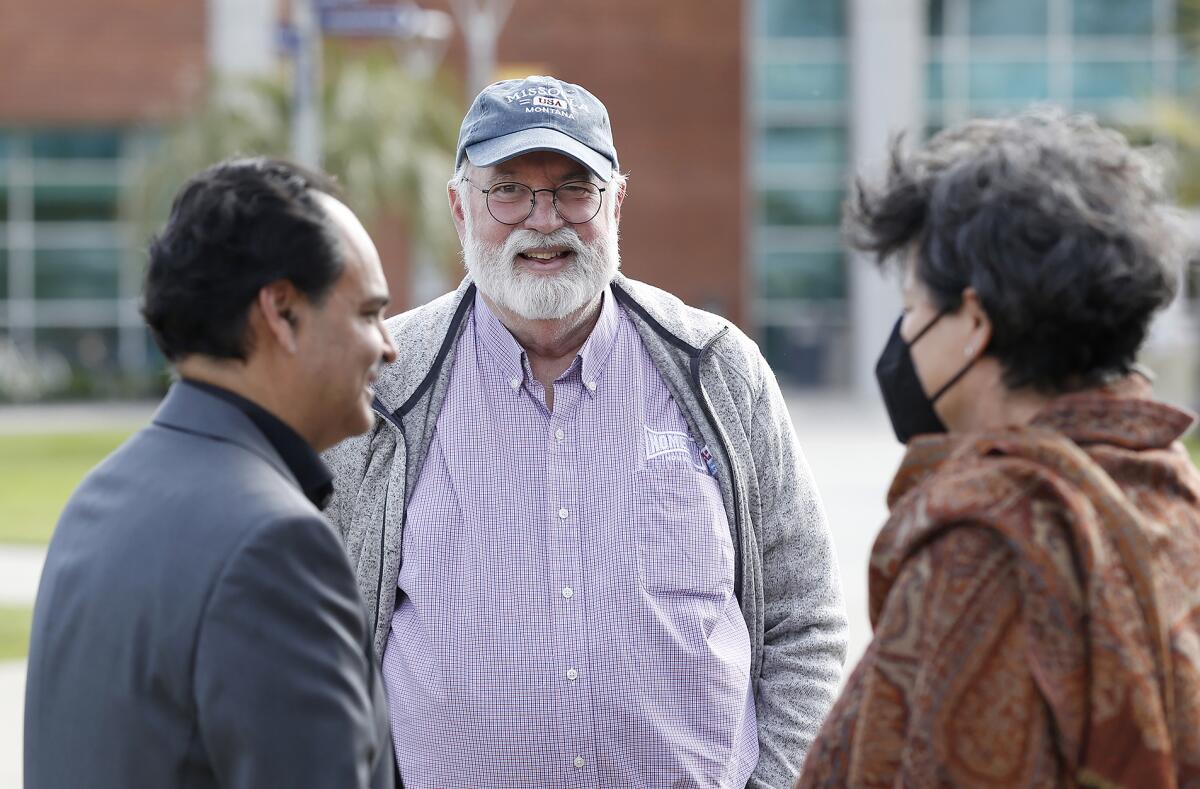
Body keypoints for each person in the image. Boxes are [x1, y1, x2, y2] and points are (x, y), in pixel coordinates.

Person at [323, 75, 847, 788]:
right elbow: (322, 633)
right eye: (507, 190)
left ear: (617, 203)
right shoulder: (382, 383)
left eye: (575, 188)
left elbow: (804, 620)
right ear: (459, 206)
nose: (544, 220)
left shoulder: (717, 371)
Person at [798, 109, 1200, 787]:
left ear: (975, 322)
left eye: (915, 308)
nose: (904, 337)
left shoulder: (988, 545)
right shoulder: (1168, 490)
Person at [24, 158, 398, 789]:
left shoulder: (100, 496)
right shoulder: (275, 545)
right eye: (367, 313)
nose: (388, 345)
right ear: (280, 311)